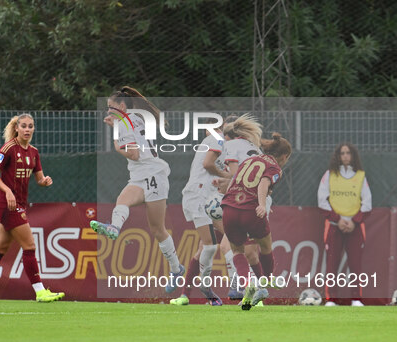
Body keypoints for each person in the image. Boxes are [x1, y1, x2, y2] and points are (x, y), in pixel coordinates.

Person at [90, 86, 184, 293]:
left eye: (111, 107)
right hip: (141, 174)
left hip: (152, 175)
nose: (108, 111)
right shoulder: (136, 116)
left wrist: (116, 142)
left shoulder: (125, 121)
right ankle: (114, 227)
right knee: (122, 200)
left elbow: (132, 154)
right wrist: (117, 125)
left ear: (122, 106)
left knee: (158, 229)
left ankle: (176, 270)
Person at [0, 114, 64, 303]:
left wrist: (45, 182)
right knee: (29, 245)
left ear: (33, 129)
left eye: (30, 126)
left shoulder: (34, 152)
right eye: (24, 126)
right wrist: (7, 191)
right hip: (6, 203)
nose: (27, 130)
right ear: (17, 128)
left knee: (0, 248)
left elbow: (39, 179)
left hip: (19, 204)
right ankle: (40, 291)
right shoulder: (9, 148)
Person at [221, 130, 292, 310]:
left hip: (229, 207)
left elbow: (233, 181)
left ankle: (248, 284)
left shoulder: (248, 160)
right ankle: (264, 283)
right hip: (250, 210)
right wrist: (261, 204)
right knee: (266, 246)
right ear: (284, 156)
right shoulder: (275, 168)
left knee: (237, 251)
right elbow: (263, 182)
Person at [170, 116, 237, 306]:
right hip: (200, 197)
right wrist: (228, 176)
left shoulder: (222, 144)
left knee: (208, 246)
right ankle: (217, 286)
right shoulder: (216, 140)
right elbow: (208, 165)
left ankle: (186, 294)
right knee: (214, 244)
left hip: (210, 199)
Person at [317, 143, 371, 307]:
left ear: (353, 156)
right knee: (332, 263)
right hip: (334, 225)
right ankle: (331, 299)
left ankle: (356, 299)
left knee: (355, 264)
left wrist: (354, 221)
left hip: (355, 226)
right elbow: (322, 200)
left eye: (348, 153)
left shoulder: (360, 176)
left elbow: (367, 203)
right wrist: (338, 219)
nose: (345, 156)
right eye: (342, 153)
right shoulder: (330, 175)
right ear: (338, 156)